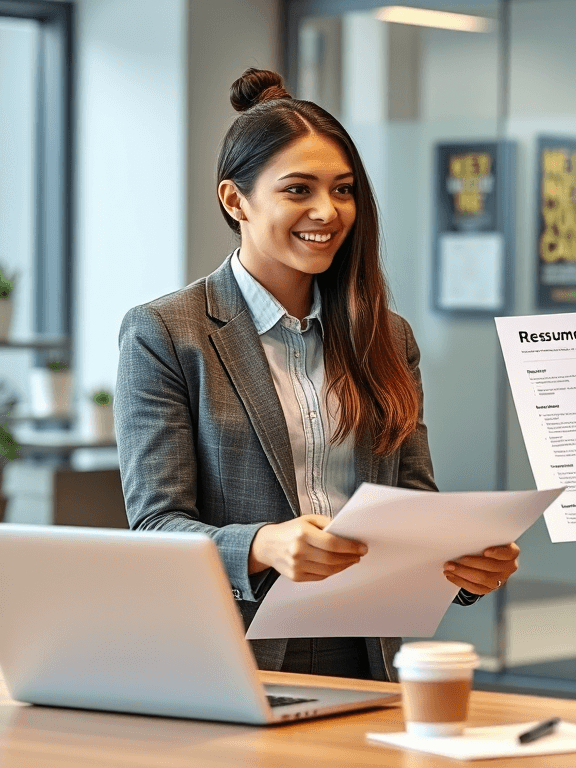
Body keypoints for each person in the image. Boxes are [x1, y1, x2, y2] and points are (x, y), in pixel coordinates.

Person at [115, 68, 519, 681]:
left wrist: (465, 564)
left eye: (343, 190)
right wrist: (264, 545)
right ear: (235, 200)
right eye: (298, 190)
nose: (327, 212)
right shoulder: (166, 333)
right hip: (231, 653)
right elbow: (155, 527)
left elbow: (412, 504)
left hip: (365, 652)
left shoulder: (386, 336)